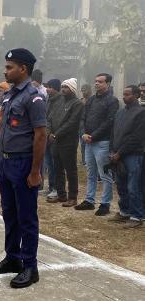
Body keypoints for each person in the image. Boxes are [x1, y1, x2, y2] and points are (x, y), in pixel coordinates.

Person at [0, 48, 46, 289]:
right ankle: (13, 258)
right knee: (9, 213)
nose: (5, 70)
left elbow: (40, 135)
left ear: (23, 69)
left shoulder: (34, 97)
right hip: (6, 162)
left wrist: (35, 171)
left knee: (26, 216)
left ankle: (30, 266)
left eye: (10, 67)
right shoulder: (10, 95)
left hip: (23, 163)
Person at [75, 73, 119, 216]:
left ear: (108, 84)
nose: (96, 84)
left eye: (100, 82)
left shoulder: (112, 101)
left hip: (102, 142)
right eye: (95, 81)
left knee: (105, 174)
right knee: (91, 173)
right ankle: (89, 200)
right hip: (88, 142)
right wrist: (83, 133)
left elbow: (109, 122)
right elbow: (83, 118)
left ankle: (105, 203)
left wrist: (93, 136)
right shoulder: (91, 100)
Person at [109, 85, 145, 228]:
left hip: (133, 155)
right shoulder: (120, 113)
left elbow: (136, 137)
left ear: (136, 95)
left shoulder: (141, 113)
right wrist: (112, 150)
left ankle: (137, 216)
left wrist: (120, 153)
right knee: (120, 184)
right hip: (118, 155)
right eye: (123, 94)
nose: (124, 97)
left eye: (128, 94)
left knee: (133, 186)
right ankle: (125, 211)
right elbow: (113, 133)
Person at [47, 78, 84, 207]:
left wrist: (56, 134)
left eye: (66, 87)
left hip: (68, 141)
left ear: (72, 89)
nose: (63, 89)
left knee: (71, 170)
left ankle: (73, 197)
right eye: (62, 87)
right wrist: (49, 132)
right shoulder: (59, 102)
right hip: (55, 140)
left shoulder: (77, 104)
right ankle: (61, 195)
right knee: (57, 169)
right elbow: (50, 118)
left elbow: (72, 123)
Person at [44, 79, 62, 199]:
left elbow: (54, 119)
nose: (47, 89)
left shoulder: (61, 101)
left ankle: (57, 188)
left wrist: (51, 133)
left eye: (49, 87)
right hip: (46, 135)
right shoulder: (48, 100)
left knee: (56, 165)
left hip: (54, 136)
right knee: (49, 163)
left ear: (55, 88)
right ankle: (51, 187)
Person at [79, 83, 92, 165]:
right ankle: (84, 160)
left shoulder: (93, 100)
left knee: (89, 143)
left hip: (90, 125)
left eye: (85, 90)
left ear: (90, 90)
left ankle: (89, 160)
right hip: (81, 125)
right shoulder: (80, 101)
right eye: (82, 90)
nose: (83, 92)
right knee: (82, 144)